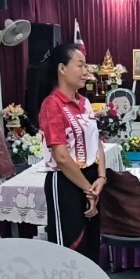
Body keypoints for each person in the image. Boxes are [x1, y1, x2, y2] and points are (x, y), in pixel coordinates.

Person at [37, 44, 105, 264]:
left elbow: (97, 142)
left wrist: (101, 178)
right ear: (62, 68)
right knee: (69, 250)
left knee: (91, 245)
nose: (86, 72)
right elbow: (62, 156)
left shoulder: (84, 103)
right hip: (66, 182)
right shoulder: (52, 105)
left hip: (91, 180)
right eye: (80, 65)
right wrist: (88, 190)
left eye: (86, 66)